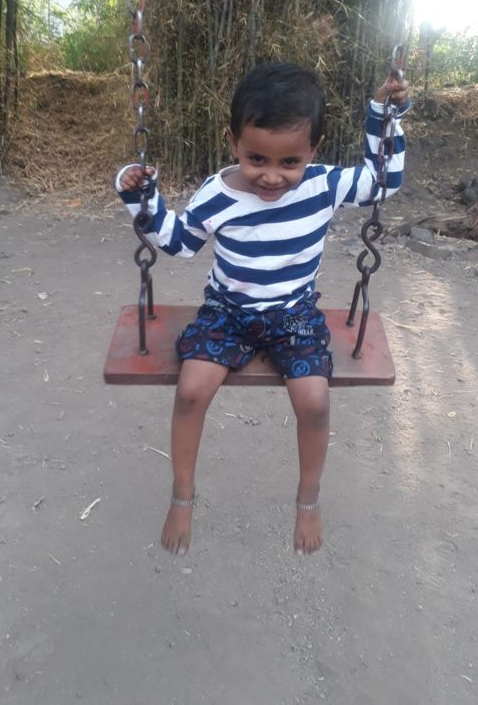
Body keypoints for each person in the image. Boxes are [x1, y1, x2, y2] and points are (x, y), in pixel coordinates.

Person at [116, 61, 410, 557]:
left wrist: (384, 116)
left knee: (314, 400)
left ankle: (308, 499)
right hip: (228, 312)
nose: (272, 176)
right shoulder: (217, 194)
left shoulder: (322, 185)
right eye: (256, 158)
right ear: (232, 141)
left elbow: (383, 182)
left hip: (293, 314)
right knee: (190, 391)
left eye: (289, 162)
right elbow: (180, 243)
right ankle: (182, 494)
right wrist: (140, 195)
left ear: (313, 150)